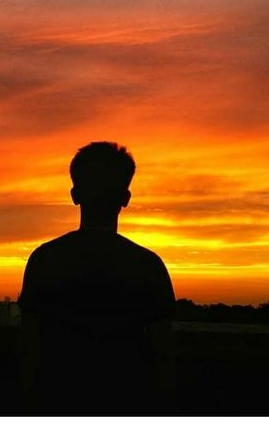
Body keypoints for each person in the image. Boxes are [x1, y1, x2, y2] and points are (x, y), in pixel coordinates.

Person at [18, 141, 175, 413]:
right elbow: (163, 355)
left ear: (75, 194)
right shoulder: (148, 266)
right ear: (125, 198)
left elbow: (30, 350)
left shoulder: (45, 260)